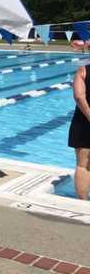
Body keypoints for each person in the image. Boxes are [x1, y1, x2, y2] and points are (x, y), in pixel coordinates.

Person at [70, 64, 90, 200]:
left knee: (83, 165)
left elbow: (78, 96)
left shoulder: (83, 70)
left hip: (83, 121)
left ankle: (82, 202)